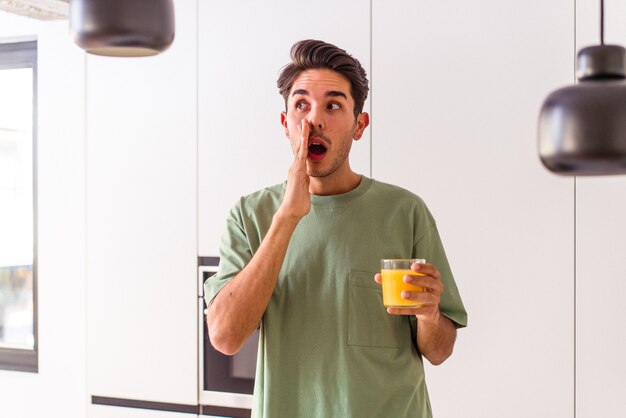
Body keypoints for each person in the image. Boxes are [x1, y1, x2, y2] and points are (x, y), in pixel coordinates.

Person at [204, 39, 467, 418]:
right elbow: (225, 337)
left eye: (333, 105)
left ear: (359, 125)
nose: (314, 120)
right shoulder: (250, 215)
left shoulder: (406, 212)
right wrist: (287, 218)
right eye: (301, 105)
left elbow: (440, 350)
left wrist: (428, 315)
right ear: (285, 124)